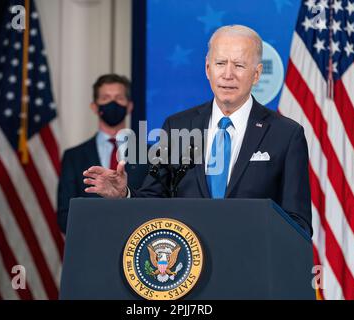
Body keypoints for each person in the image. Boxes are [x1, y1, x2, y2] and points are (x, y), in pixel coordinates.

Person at [83, 25, 312, 236]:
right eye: (221, 63)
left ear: (257, 74)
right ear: (207, 68)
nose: (228, 74)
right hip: (189, 270)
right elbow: (154, 198)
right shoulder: (177, 127)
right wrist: (125, 195)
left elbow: (298, 222)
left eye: (239, 65)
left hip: (254, 269)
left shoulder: (286, 135)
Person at [57, 74, 148, 233]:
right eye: (106, 98)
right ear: (94, 107)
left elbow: (157, 204)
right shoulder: (74, 157)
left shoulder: (150, 155)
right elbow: (65, 215)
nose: (113, 103)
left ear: (129, 106)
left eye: (119, 98)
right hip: (90, 247)